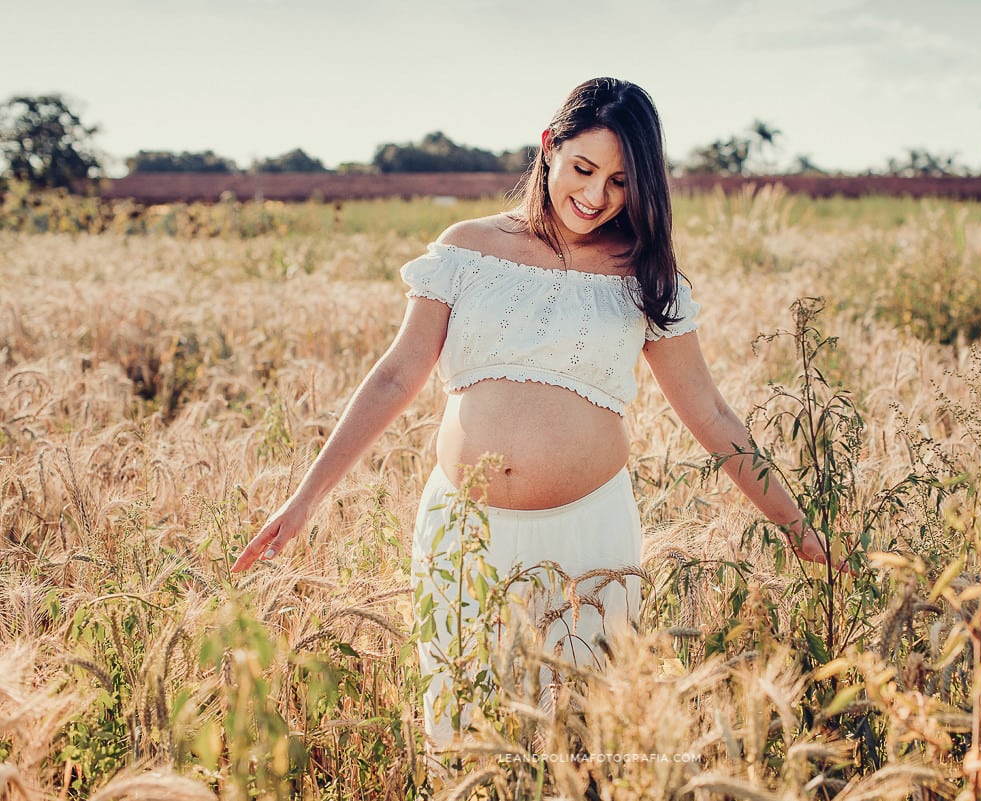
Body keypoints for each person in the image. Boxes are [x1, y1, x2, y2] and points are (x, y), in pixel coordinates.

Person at [231, 77, 832, 745]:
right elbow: (396, 375)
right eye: (582, 168)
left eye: (621, 182)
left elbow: (711, 412)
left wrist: (794, 520)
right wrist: (304, 499)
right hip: (464, 535)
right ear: (548, 147)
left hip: (590, 543)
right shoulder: (466, 249)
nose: (596, 195)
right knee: (461, 739)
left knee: (578, 745)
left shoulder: (645, 276)